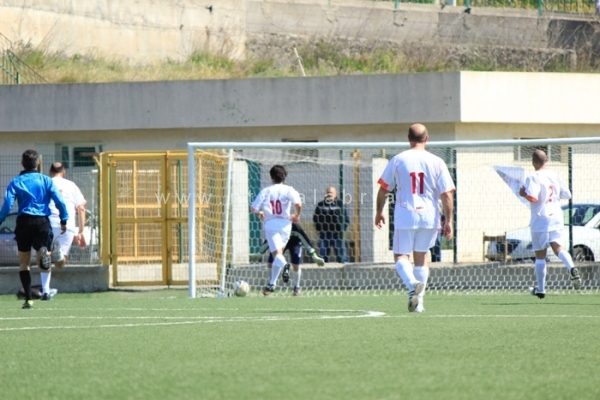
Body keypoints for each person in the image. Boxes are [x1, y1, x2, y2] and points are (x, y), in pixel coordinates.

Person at [375, 124, 455, 313]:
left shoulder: (398, 159)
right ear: (427, 139)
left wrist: (379, 211)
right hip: (429, 215)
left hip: (405, 213)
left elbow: (384, 189)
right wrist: (449, 220)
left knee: (401, 256)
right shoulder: (437, 162)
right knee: (422, 256)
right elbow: (446, 194)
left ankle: (412, 285)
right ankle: (419, 304)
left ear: (408, 138)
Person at [0, 150, 68, 309]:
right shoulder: (46, 180)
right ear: (38, 163)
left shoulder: (16, 182)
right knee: (42, 253)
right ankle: (43, 251)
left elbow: (7, 205)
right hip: (42, 221)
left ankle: (29, 299)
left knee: (24, 263)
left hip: (24, 222)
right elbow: (59, 201)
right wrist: (63, 219)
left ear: (22, 163)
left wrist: (1, 219)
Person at [519, 149, 581, 299]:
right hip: (557, 217)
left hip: (541, 219)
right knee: (559, 248)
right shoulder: (554, 175)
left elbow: (533, 198)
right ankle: (571, 268)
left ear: (533, 162)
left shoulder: (533, 177)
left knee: (540, 255)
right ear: (546, 160)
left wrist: (523, 194)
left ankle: (541, 290)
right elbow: (567, 194)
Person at [251, 165, 302, 296]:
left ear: (271, 177)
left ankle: (285, 266)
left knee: (277, 256)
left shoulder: (266, 191)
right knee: (278, 254)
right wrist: (296, 215)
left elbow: (253, 208)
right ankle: (272, 284)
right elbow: (298, 204)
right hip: (286, 225)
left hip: (271, 224)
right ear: (284, 177)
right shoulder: (289, 189)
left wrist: (259, 213)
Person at [38, 162, 87, 301]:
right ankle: (58, 255)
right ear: (64, 172)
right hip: (68, 224)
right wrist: (80, 231)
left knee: (44, 256)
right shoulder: (71, 185)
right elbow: (81, 208)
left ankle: (45, 291)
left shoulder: (44, 182)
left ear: (50, 171)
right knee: (59, 264)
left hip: (48, 223)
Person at [249, 222, 325, 296]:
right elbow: (270, 239)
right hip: (281, 243)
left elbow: (306, 241)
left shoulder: (296, 227)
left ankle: (297, 287)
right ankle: (271, 283)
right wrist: (260, 253)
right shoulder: (277, 226)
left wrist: (314, 256)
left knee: (296, 265)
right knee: (270, 263)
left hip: (295, 244)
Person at [312, 186, 349, 263]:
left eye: (331, 193)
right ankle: (323, 269)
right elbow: (315, 218)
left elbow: (346, 219)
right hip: (324, 235)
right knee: (322, 258)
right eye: (328, 192)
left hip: (337, 235)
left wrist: (342, 231)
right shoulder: (320, 205)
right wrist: (319, 230)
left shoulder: (340, 204)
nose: (329, 194)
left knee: (342, 257)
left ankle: (344, 268)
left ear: (336, 194)